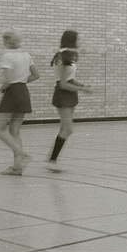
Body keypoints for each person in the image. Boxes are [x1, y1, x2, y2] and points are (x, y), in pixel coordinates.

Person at [48, 30, 93, 172]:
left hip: (70, 94)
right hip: (63, 94)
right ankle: (51, 160)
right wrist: (82, 89)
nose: (80, 42)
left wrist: (82, 85)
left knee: (64, 129)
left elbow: (70, 78)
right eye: (78, 39)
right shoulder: (62, 57)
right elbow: (63, 84)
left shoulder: (70, 55)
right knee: (68, 129)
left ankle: (52, 161)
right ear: (71, 40)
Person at [0, 30, 39, 175]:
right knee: (14, 131)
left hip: (12, 93)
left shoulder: (7, 56)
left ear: (7, 42)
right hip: (23, 92)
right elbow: (36, 75)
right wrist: (21, 81)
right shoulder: (26, 55)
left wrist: (3, 87)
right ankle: (17, 167)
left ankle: (21, 154)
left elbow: (7, 80)